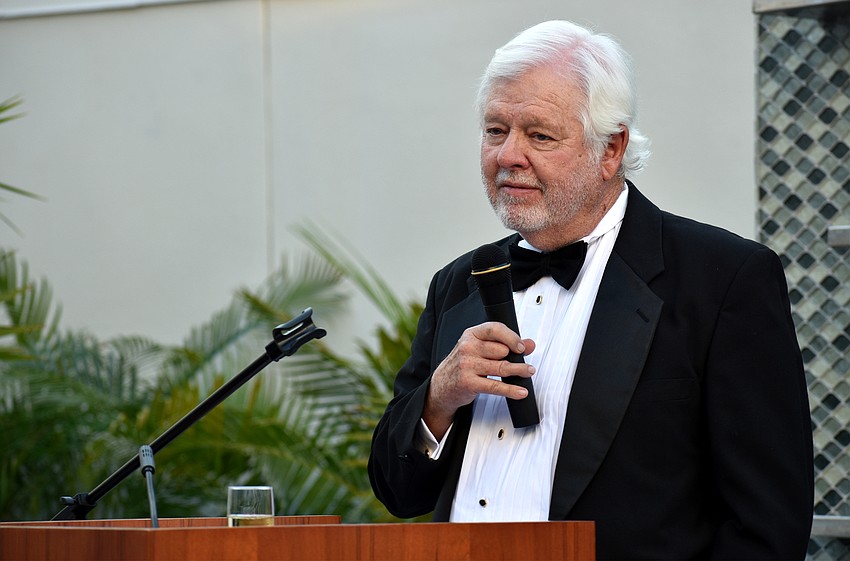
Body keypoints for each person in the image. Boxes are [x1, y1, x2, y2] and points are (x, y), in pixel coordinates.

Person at [367, 19, 814, 560]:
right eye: (494, 130)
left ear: (611, 149)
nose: (508, 155)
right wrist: (437, 401)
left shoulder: (722, 280)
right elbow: (397, 490)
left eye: (539, 135)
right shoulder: (458, 283)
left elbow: (767, 525)